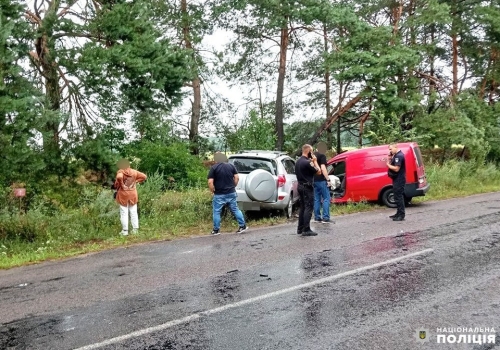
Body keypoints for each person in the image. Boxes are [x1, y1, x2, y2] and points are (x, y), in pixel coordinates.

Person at [207, 153, 248, 235]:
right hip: (231, 193)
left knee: (217, 212)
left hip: (219, 194)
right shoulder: (231, 166)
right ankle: (242, 226)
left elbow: (210, 182)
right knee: (235, 209)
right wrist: (234, 186)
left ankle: (216, 230)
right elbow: (237, 177)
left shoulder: (214, 168)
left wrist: (212, 191)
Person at [114, 159, 147, 236]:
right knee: (133, 212)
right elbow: (144, 177)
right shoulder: (134, 172)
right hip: (133, 194)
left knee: (124, 213)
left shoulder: (121, 171)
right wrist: (136, 181)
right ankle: (135, 230)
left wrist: (122, 185)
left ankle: (125, 231)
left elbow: (119, 177)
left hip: (123, 195)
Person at [295, 144, 322, 236]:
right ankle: (306, 229)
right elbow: (319, 171)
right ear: (309, 151)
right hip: (307, 187)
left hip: (300, 186)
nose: (313, 153)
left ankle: (300, 228)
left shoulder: (298, 161)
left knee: (303, 207)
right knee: (309, 207)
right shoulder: (308, 162)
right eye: (312, 151)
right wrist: (315, 161)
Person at [313, 141, 333, 223]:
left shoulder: (313, 155)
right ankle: (326, 217)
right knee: (326, 198)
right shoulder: (322, 156)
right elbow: (323, 168)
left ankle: (317, 217)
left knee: (316, 199)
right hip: (321, 180)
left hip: (313, 180)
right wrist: (328, 179)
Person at [386, 143, 406, 221]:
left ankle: (401, 215)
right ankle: (398, 213)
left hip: (399, 179)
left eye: (391, 149)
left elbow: (396, 168)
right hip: (396, 178)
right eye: (389, 149)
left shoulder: (399, 156)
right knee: (396, 196)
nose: (390, 151)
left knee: (398, 197)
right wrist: (390, 158)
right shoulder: (396, 155)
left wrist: (388, 165)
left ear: (395, 147)